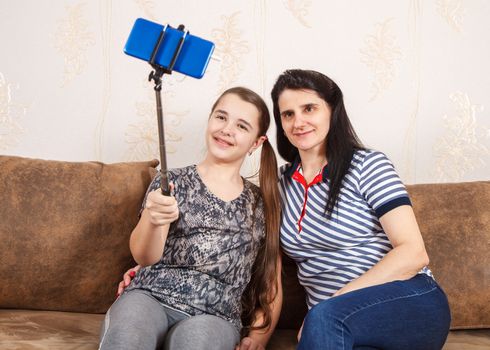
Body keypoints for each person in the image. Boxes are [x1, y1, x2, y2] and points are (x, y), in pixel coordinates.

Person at [271, 69, 451, 349]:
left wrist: (331, 304)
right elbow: (269, 270)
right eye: (288, 114)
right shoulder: (280, 185)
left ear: (332, 111)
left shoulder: (368, 165)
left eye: (309, 108)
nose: (298, 121)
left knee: (324, 321)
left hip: (407, 300)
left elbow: (413, 252)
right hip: (339, 327)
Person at [99, 87, 282, 350]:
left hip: (215, 317)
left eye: (241, 126)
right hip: (150, 297)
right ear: (210, 120)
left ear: (256, 142)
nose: (227, 129)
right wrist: (153, 218)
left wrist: (259, 337)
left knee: (196, 344)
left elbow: (270, 281)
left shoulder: (262, 205)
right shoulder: (170, 183)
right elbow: (144, 257)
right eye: (221, 117)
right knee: (127, 335)